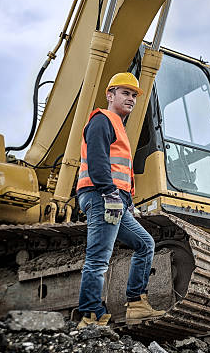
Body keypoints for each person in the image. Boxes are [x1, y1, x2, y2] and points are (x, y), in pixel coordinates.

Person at [75, 72, 165, 328]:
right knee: (98, 258)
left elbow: (120, 169)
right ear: (110, 94)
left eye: (134, 95)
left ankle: (136, 304)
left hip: (115, 199)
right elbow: (98, 161)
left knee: (145, 243)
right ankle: (90, 315)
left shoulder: (117, 125)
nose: (131, 99)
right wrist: (110, 193)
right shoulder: (102, 121)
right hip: (102, 195)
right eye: (125, 93)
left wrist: (126, 200)